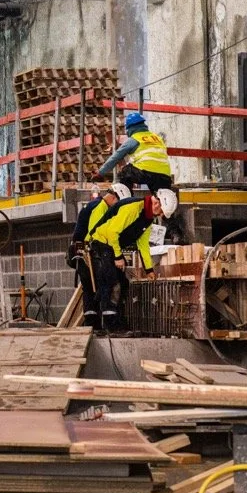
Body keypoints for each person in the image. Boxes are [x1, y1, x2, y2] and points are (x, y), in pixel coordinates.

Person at [86, 188, 177, 332]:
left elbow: (143, 246)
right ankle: (111, 326)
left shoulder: (147, 219)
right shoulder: (133, 208)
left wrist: (149, 270)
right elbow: (112, 232)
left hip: (111, 246)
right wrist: (117, 257)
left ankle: (117, 322)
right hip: (101, 243)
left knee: (123, 283)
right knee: (111, 282)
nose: (160, 216)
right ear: (157, 204)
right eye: (161, 213)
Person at [68, 183, 130, 327]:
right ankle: (108, 325)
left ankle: (92, 326)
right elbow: (97, 236)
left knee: (89, 289)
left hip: (81, 250)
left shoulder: (94, 205)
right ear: (114, 198)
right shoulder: (100, 208)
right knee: (105, 284)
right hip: (88, 252)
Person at [95, 112, 174, 193]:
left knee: (125, 173)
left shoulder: (134, 139)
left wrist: (101, 172)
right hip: (164, 175)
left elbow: (116, 157)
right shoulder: (157, 138)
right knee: (161, 198)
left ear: (129, 128)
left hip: (145, 173)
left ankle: (126, 199)